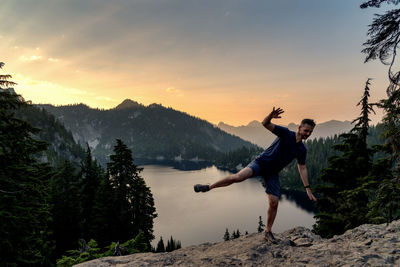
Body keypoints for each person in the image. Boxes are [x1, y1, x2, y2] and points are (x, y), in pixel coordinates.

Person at [194, 107, 317, 242]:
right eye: (306, 131)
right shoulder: (286, 133)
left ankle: (268, 232)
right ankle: (209, 186)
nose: (307, 134)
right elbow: (265, 124)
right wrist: (270, 116)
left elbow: (302, 168)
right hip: (261, 163)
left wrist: (307, 189)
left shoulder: (302, 150)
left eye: (310, 132)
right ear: (299, 128)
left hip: (272, 173)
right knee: (238, 177)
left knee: (274, 203)